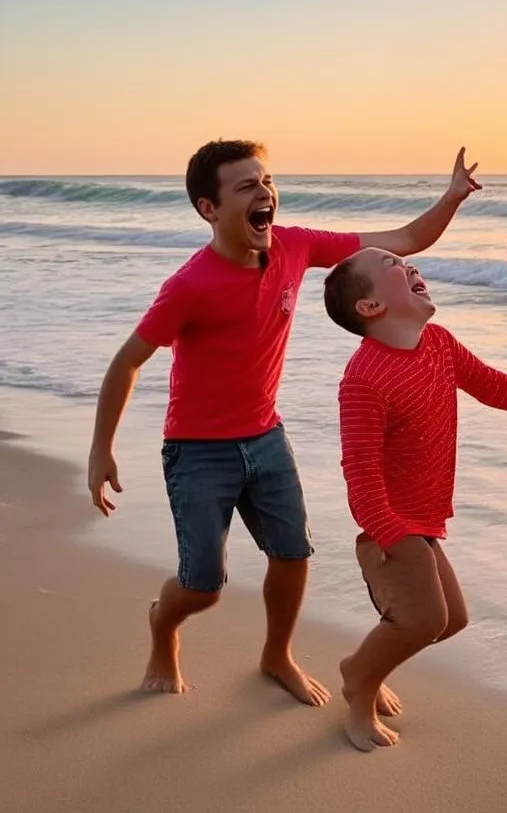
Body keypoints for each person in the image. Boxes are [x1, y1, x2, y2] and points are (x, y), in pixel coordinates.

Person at [87, 139, 481, 705]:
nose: (264, 193)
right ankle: (163, 626)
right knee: (202, 587)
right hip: (198, 450)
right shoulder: (188, 286)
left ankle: (277, 656)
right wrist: (102, 450)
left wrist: (452, 197)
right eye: (246, 186)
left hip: (266, 436)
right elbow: (128, 360)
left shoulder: (294, 247)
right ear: (209, 209)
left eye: (266, 181)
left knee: (293, 555)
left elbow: (405, 240)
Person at [323, 247, 507, 751]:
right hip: (386, 527)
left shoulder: (438, 344)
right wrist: (392, 534)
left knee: (451, 620)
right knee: (424, 619)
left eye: (408, 263)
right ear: (369, 307)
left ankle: (361, 664)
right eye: (391, 265)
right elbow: (360, 471)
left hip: (423, 521)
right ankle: (359, 689)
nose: (409, 266)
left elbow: (497, 387)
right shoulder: (363, 379)